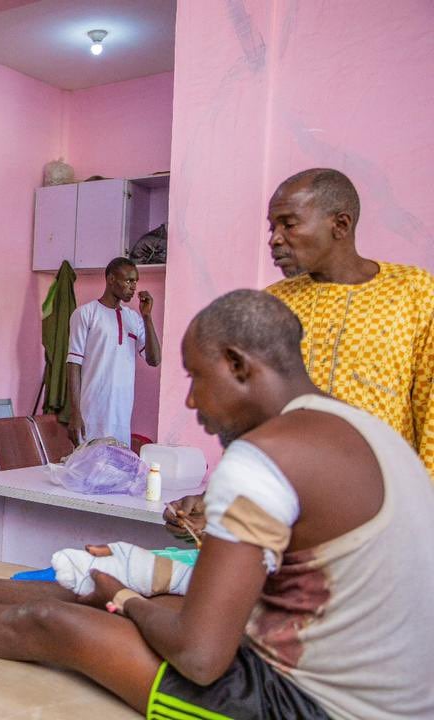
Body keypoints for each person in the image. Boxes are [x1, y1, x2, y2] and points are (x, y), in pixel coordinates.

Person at [0, 289, 434, 720]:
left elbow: (202, 657)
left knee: (60, 623)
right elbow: (294, 579)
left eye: (194, 378)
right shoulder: (361, 428)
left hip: (315, 707)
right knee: (125, 593)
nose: (189, 404)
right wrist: (145, 581)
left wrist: (127, 600)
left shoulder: (260, 461)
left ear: (238, 365)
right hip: (385, 693)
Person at [166, 168, 434, 540]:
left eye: (288, 224)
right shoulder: (274, 303)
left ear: (340, 224)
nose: (275, 240)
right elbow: (254, 415)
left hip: (381, 513)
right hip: (285, 507)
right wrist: (223, 495)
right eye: (272, 226)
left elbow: (430, 416)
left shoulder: (415, 293)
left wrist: (420, 517)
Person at [64, 256, 161, 448]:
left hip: (121, 417)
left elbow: (154, 359)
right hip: (91, 415)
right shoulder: (85, 314)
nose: (133, 287)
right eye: (128, 280)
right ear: (111, 279)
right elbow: (73, 363)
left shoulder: (133, 319)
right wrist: (75, 414)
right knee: (88, 473)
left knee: (116, 474)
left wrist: (147, 317)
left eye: (135, 281)